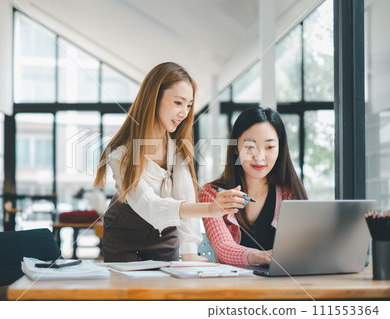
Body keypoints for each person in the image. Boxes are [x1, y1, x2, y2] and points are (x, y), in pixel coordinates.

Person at [94, 62, 243, 262]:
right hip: (123, 236)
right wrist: (210, 209)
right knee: (130, 291)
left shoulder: (179, 151)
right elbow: (150, 206)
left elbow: (185, 194)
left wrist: (189, 252)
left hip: (165, 237)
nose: (184, 113)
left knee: (167, 291)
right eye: (178, 103)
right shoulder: (121, 155)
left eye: (189, 105)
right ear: (154, 98)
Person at [198, 107, 308, 266]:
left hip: (282, 286)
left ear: (280, 149)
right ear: (236, 147)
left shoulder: (289, 194)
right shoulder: (211, 193)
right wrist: (258, 256)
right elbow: (223, 247)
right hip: (232, 286)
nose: (260, 157)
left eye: (269, 147)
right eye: (250, 147)